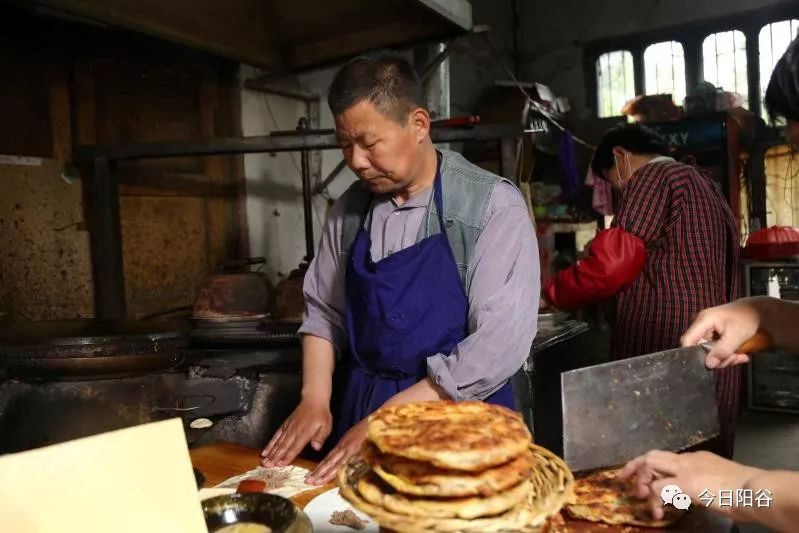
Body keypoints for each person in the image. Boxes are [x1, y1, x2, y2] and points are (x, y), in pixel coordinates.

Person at [259, 52, 539, 485]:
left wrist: (391, 419)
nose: (355, 160)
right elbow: (323, 310)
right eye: (344, 144)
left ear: (419, 125)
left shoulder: (489, 206)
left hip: (459, 418)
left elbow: (499, 342)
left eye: (369, 143)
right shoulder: (349, 211)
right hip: (364, 408)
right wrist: (315, 396)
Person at [619, 36, 799, 532]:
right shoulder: (699, 182)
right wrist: (767, 312)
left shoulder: (652, 180)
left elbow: (614, 259)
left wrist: (736, 488)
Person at [544, 123, 741, 458]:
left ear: (621, 156)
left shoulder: (653, 177)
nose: (619, 191)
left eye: (611, 180)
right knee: (704, 461)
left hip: (667, 347)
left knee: (656, 466)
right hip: (712, 346)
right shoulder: (703, 184)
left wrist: (550, 294)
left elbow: (610, 268)